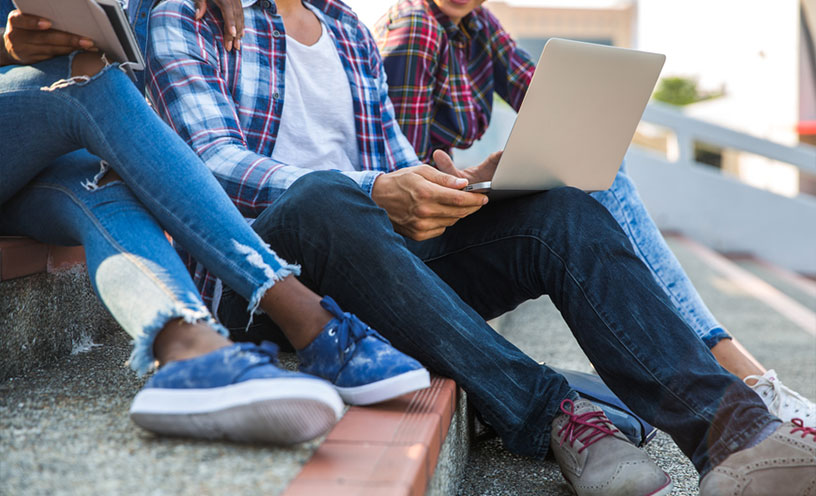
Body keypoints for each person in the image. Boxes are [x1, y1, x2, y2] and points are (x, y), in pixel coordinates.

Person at [139, 0, 816, 494]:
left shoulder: (344, 27)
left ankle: (733, 433)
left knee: (561, 211)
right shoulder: (188, 14)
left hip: (376, 259)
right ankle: (556, 411)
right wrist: (376, 188)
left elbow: (393, 161)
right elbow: (210, 165)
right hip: (266, 281)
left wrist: (456, 185)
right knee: (324, 198)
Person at [0, 1, 430, 445]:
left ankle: (188, 352)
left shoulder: (344, 24)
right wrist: (5, 46)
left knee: (104, 185)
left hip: (40, 153)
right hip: (34, 102)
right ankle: (307, 316)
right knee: (87, 75)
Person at [373, 0, 816, 428]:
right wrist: (471, 182)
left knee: (594, 165)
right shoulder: (416, 29)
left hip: (445, 208)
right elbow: (403, 180)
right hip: (409, 246)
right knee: (597, 184)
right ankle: (734, 365)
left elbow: (552, 102)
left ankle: (724, 362)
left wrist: (562, 141)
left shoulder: (478, 27)